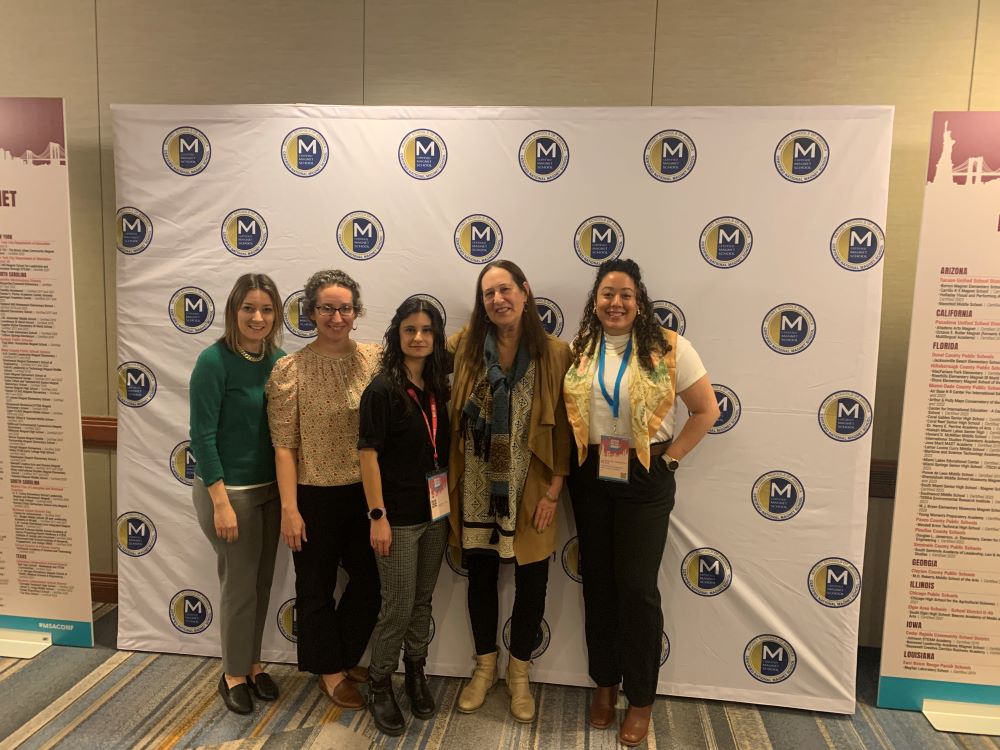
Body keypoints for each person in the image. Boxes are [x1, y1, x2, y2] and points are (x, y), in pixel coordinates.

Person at [563, 258, 719, 747]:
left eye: (625, 294)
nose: (616, 303)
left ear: (639, 301)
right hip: (591, 474)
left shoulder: (670, 347)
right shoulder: (580, 349)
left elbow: (705, 410)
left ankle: (642, 700)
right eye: (607, 294)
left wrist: (670, 460)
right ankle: (604, 686)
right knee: (599, 584)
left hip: (646, 475)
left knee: (636, 589)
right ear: (595, 301)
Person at [447, 259, 571, 723]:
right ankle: (484, 668)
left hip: (531, 486)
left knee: (531, 582)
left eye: (505, 289)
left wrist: (555, 489)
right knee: (479, 578)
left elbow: (566, 430)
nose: (497, 300)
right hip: (477, 485)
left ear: (525, 290)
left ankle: (519, 674)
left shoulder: (555, 354)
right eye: (487, 294)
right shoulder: (462, 348)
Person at [265, 269, 381, 710]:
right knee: (314, 588)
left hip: (366, 495)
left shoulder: (375, 359)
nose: (337, 316)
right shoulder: (290, 370)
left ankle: (344, 657)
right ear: (311, 312)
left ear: (356, 313)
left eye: (345, 308)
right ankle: (330, 674)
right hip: (313, 496)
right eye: (327, 308)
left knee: (370, 581)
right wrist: (290, 510)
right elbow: (284, 447)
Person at [189, 273, 285, 714]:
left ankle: (251, 663)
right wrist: (221, 502)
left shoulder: (280, 362)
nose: (258, 317)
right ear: (234, 311)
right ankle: (231, 674)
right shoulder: (214, 362)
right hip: (231, 494)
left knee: (261, 583)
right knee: (239, 585)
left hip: (270, 493)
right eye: (249, 308)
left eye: (266, 309)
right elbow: (202, 438)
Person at [358, 298, 451, 736]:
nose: (418, 338)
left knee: (421, 602)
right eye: (410, 329)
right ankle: (379, 684)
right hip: (395, 518)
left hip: (436, 514)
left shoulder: (438, 386)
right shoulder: (382, 389)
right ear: (397, 335)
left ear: (437, 337)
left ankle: (416, 672)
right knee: (396, 607)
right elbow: (368, 455)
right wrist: (377, 515)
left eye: (427, 330)